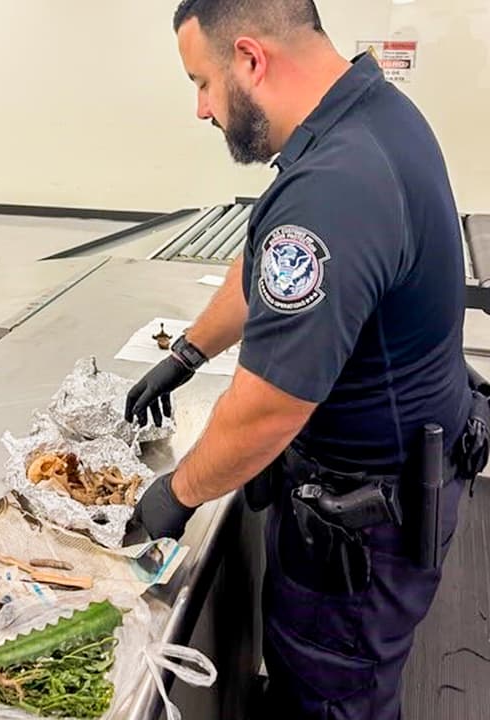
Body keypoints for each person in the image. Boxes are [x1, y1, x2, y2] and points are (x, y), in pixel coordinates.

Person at [124, 1, 488, 718]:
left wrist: (176, 495)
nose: (200, 109)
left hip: (360, 537)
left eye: (202, 82)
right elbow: (267, 260)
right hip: (404, 480)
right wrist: (189, 353)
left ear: (252, 60)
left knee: (332, 698)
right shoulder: (370, 116)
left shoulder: (332, 187)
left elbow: (267, 410)